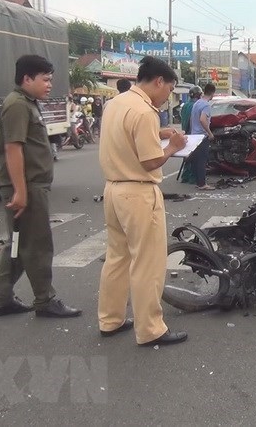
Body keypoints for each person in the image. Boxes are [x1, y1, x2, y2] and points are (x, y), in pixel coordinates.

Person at [98, 56, 188, 347]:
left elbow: (126, 137)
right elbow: (150, 161)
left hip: (113, 189)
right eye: (169, 89)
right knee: (147, 263)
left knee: (117, 258)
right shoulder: (145, 111)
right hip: (137, 193)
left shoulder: (117, 103)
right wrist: (172, 147)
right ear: (159, 81)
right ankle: (150, 329)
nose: (168, 97)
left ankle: (109, 320)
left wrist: (160, 133)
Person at [0, 55, 81, 318]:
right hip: (27, 187)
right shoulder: (17, 105)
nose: (49, 84)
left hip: (30, 185)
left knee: (19, 245)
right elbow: (13, 149)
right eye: (45, 79)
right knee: (38, 245)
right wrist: (20, 190)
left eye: (50, 79)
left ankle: (3, 299)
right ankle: (45, 300)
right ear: (27, 78)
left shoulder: (26, 103)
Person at [189, 83, 216, 190]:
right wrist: (210, 133)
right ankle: (202, 184)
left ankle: (198, 181)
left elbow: (193, 119)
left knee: (197, 160)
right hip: (202, 136)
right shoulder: (206, 105)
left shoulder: (197, 103)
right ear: (213, 93)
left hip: (194, 135)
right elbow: (202, 119)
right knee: (202, 160)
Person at [179, 85, 203, 184]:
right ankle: (193, 178)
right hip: (194, 133)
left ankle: (185, 177)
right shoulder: (196, 105)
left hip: (186, 132)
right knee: (195, 156)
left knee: (187, 155)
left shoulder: (185, 105)